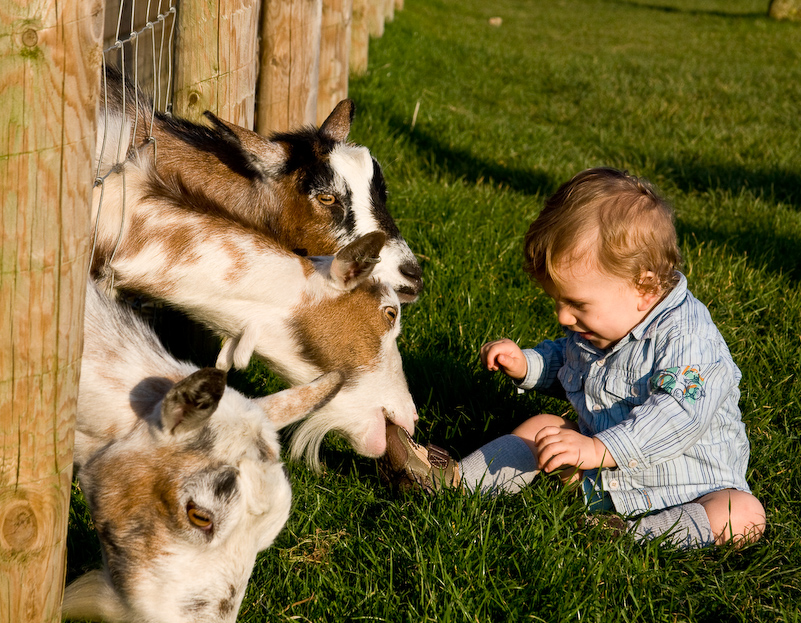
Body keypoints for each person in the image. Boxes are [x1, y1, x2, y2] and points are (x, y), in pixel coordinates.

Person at [382, 167, 765, 549]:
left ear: (644, 286)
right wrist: (527, 364)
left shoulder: (688, 338)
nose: (563, 317)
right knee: (543, 427)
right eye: (559, 302)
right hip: (598, 472)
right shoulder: (603, 323)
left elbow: (679, 414)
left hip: (685, 487)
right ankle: (454, 483)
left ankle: (636, 537)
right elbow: (570, 360)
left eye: (576, 304)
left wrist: (601, 449)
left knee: (744, 516)